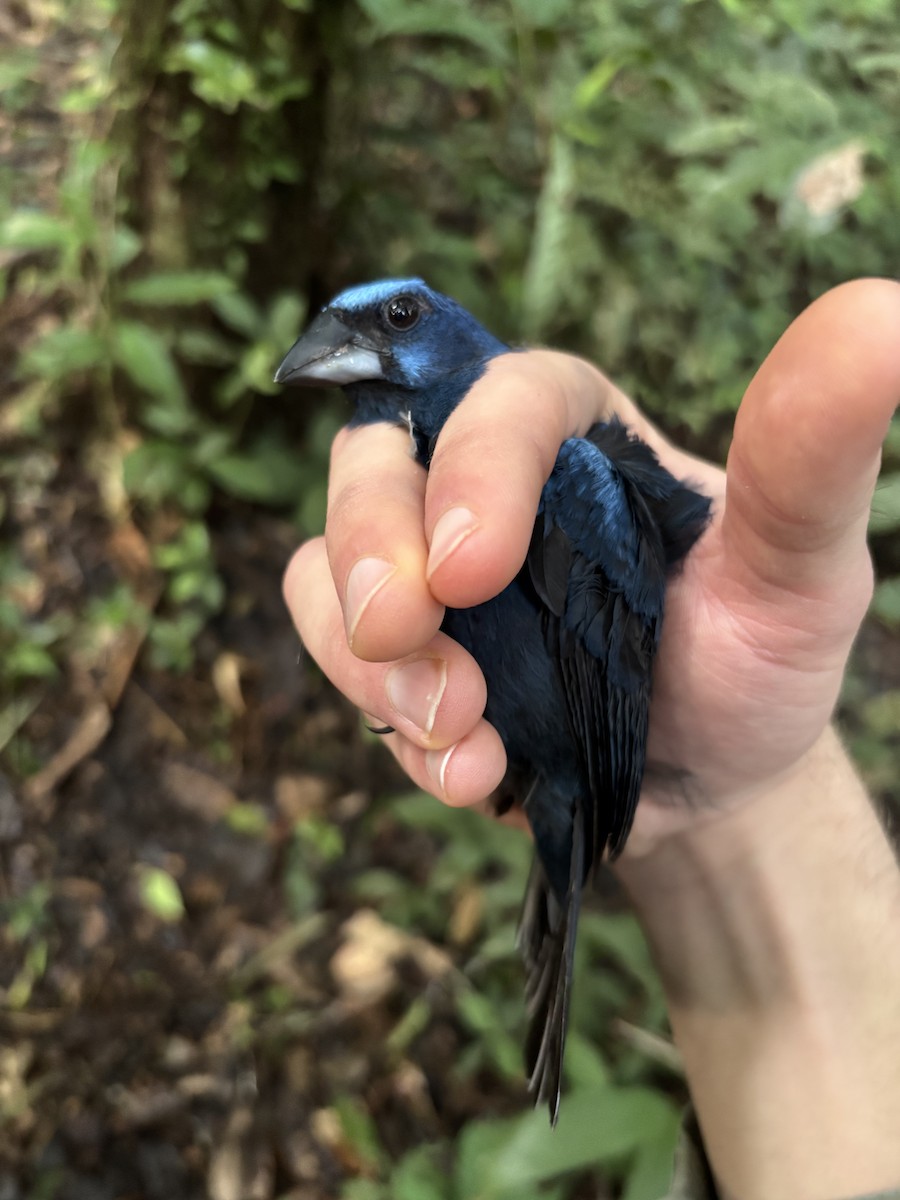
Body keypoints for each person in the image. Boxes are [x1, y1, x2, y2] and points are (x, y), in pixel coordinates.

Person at [282, 277, 900, 1200]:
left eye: (398, 318)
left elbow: (603, 683)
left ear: (458, 333)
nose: (348, 340)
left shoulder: (569, 471)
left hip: (582, 755)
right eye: (343, 325)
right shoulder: (405, 453)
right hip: (558, 756)